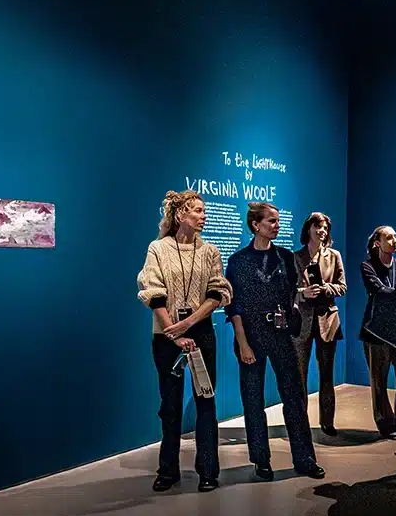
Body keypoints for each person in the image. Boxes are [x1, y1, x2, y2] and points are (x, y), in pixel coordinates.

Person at [137, 191, 232, 492]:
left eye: (204, 211)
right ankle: (168, 470)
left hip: (201, 332)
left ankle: (208, 470)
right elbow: (152, 290)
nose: (204, 216)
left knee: (206, 400)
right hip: (166, 337)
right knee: (170, 405)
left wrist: (189, 324)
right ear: (180, 215)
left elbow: (217, 292)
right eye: (198, 211)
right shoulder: (158, 249)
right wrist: (172, 331)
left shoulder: (210, 251)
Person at [225, 202, 326, 481]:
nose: (276, 225)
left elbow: (292, 291)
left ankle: (305, 459)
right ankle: (261, 460)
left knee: (294, 398)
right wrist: (243, 344)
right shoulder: (238, 261)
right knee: (253, 400)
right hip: (251, 336)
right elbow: (234, 308)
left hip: (282, 334)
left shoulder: (284, 257)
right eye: (271, 221)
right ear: (256, 225)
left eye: (278, 221)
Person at [293, 212, 346, 437]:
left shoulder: (334, 256)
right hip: (302, 321)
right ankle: (299, 421)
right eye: (317, 227)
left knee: (327, 375)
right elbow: (289, 290)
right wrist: (303, 293)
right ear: (308, 230)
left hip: (328, 320)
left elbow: (342, 287)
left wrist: (325, 288)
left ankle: (327, 421)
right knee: (299, 376)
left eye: (324, 228)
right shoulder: (296, 257)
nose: (321, 231)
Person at [359, 225, 396, 439]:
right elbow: (378, 290)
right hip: (376, 333)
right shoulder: (368, 266)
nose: (394, 240)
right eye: (389, 237)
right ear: (377, 242)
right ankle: (386, 424)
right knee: (379, 381)